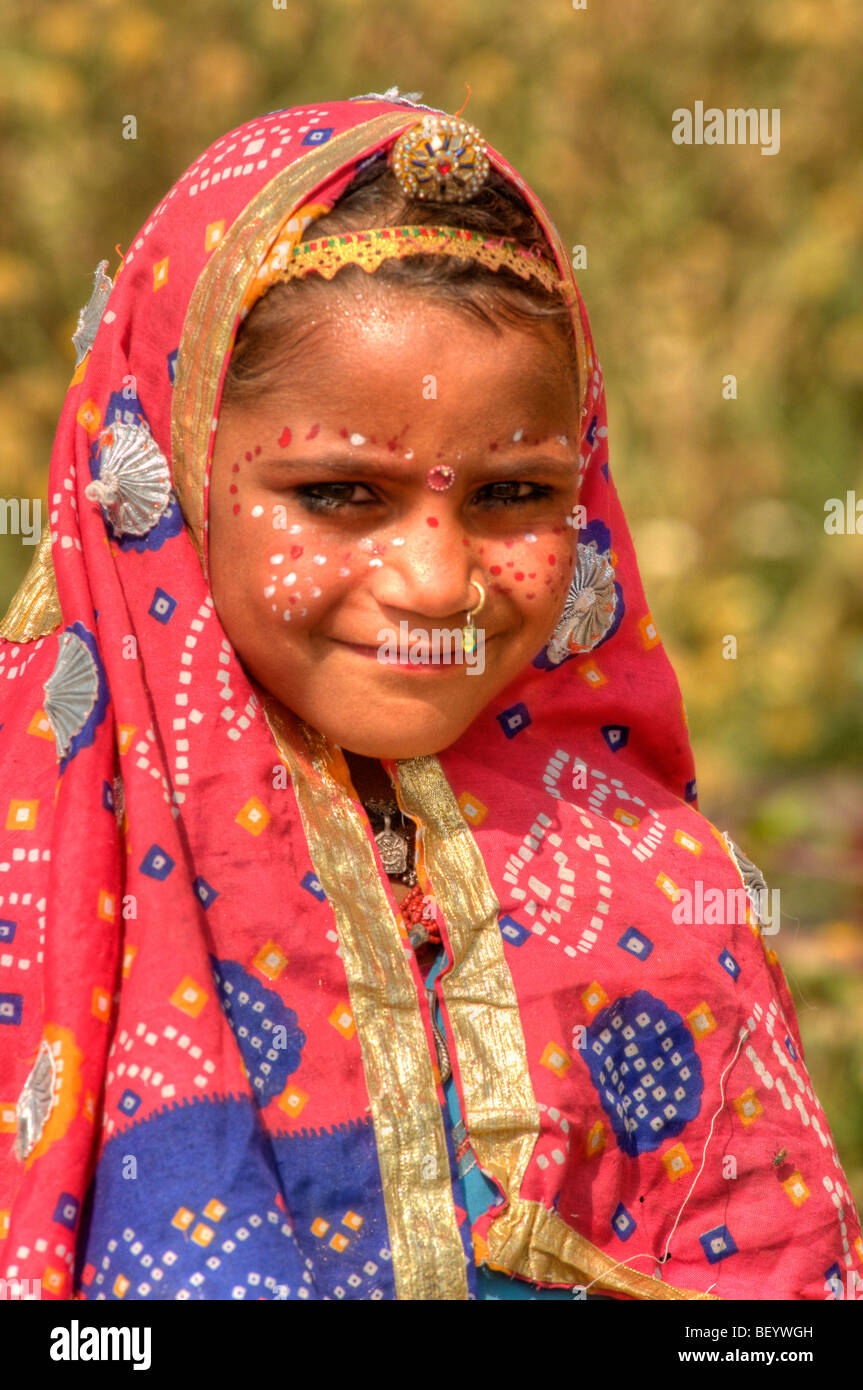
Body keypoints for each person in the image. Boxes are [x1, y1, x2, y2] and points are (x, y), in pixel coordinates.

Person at [0, 90, 858, 1303]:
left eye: (513, 498)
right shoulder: (38, 849)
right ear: (170, 462)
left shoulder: (659, 889)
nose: (438, 580)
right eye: (342, 495)